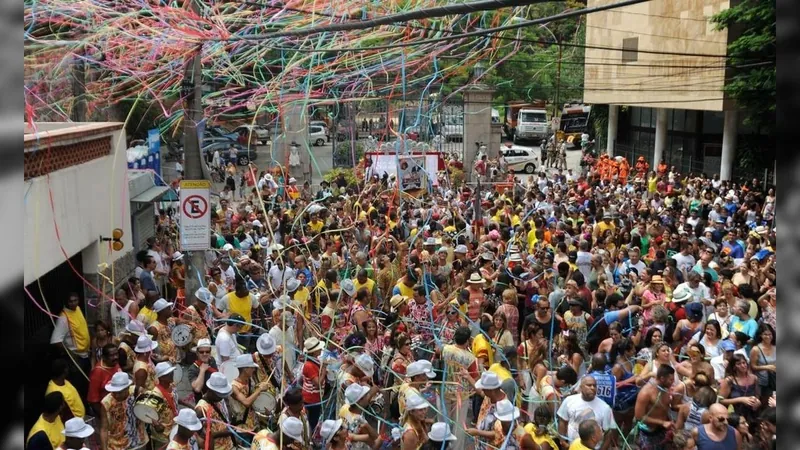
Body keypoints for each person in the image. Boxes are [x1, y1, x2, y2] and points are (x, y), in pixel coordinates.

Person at [557, 376, 616, 450]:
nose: (592, 388)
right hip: (573, 446)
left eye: (594, 385)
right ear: (581, 387)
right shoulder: (569, 401)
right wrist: (562, 441)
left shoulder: (605, 408)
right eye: (589, 385)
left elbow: (608, 433)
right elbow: (562, 421)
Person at [50, 292, 91, 397]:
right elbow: (55, 341)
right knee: (79, 386)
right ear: (66, 302)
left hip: (85, 355)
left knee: (87, 384)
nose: (73, 303)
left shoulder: (77, 309)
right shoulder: (64, 318)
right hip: (76, 359)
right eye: (70, 301)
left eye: (75, 300)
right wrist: (71, 354)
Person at [100, 372, 148, 450]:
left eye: (120, 392)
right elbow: (104, 429)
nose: (116, 395)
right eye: (114, 392)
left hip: (138, 440)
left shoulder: (137, 392)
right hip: (117, 446)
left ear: (128, 387)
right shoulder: (106, 403)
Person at [634, 364, 676, 450]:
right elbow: (639, 417)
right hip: (648, 431)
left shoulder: (666, 388)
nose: (673, 381)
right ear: (662, 379)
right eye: (671, 379)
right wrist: (662, 422)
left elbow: (664, 407)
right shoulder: (646, 392)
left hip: (663, 429)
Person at [195, 372, 234, 450]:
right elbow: (198, 435)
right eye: (220, 394)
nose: (222, 397)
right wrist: (222, 433)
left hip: (228, 445)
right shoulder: (201, 409)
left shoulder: (219, 399)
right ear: (211, 390)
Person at [150, 362, 180, 448]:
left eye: (171, 372)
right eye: (168, 374)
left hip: (174, 426)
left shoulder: (172, 385)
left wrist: (188, 404)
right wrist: (156, 425)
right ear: (161, 377)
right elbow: (149, 412)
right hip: (163, 433)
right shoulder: (156, 394)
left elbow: (174, 398)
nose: (172, 374)